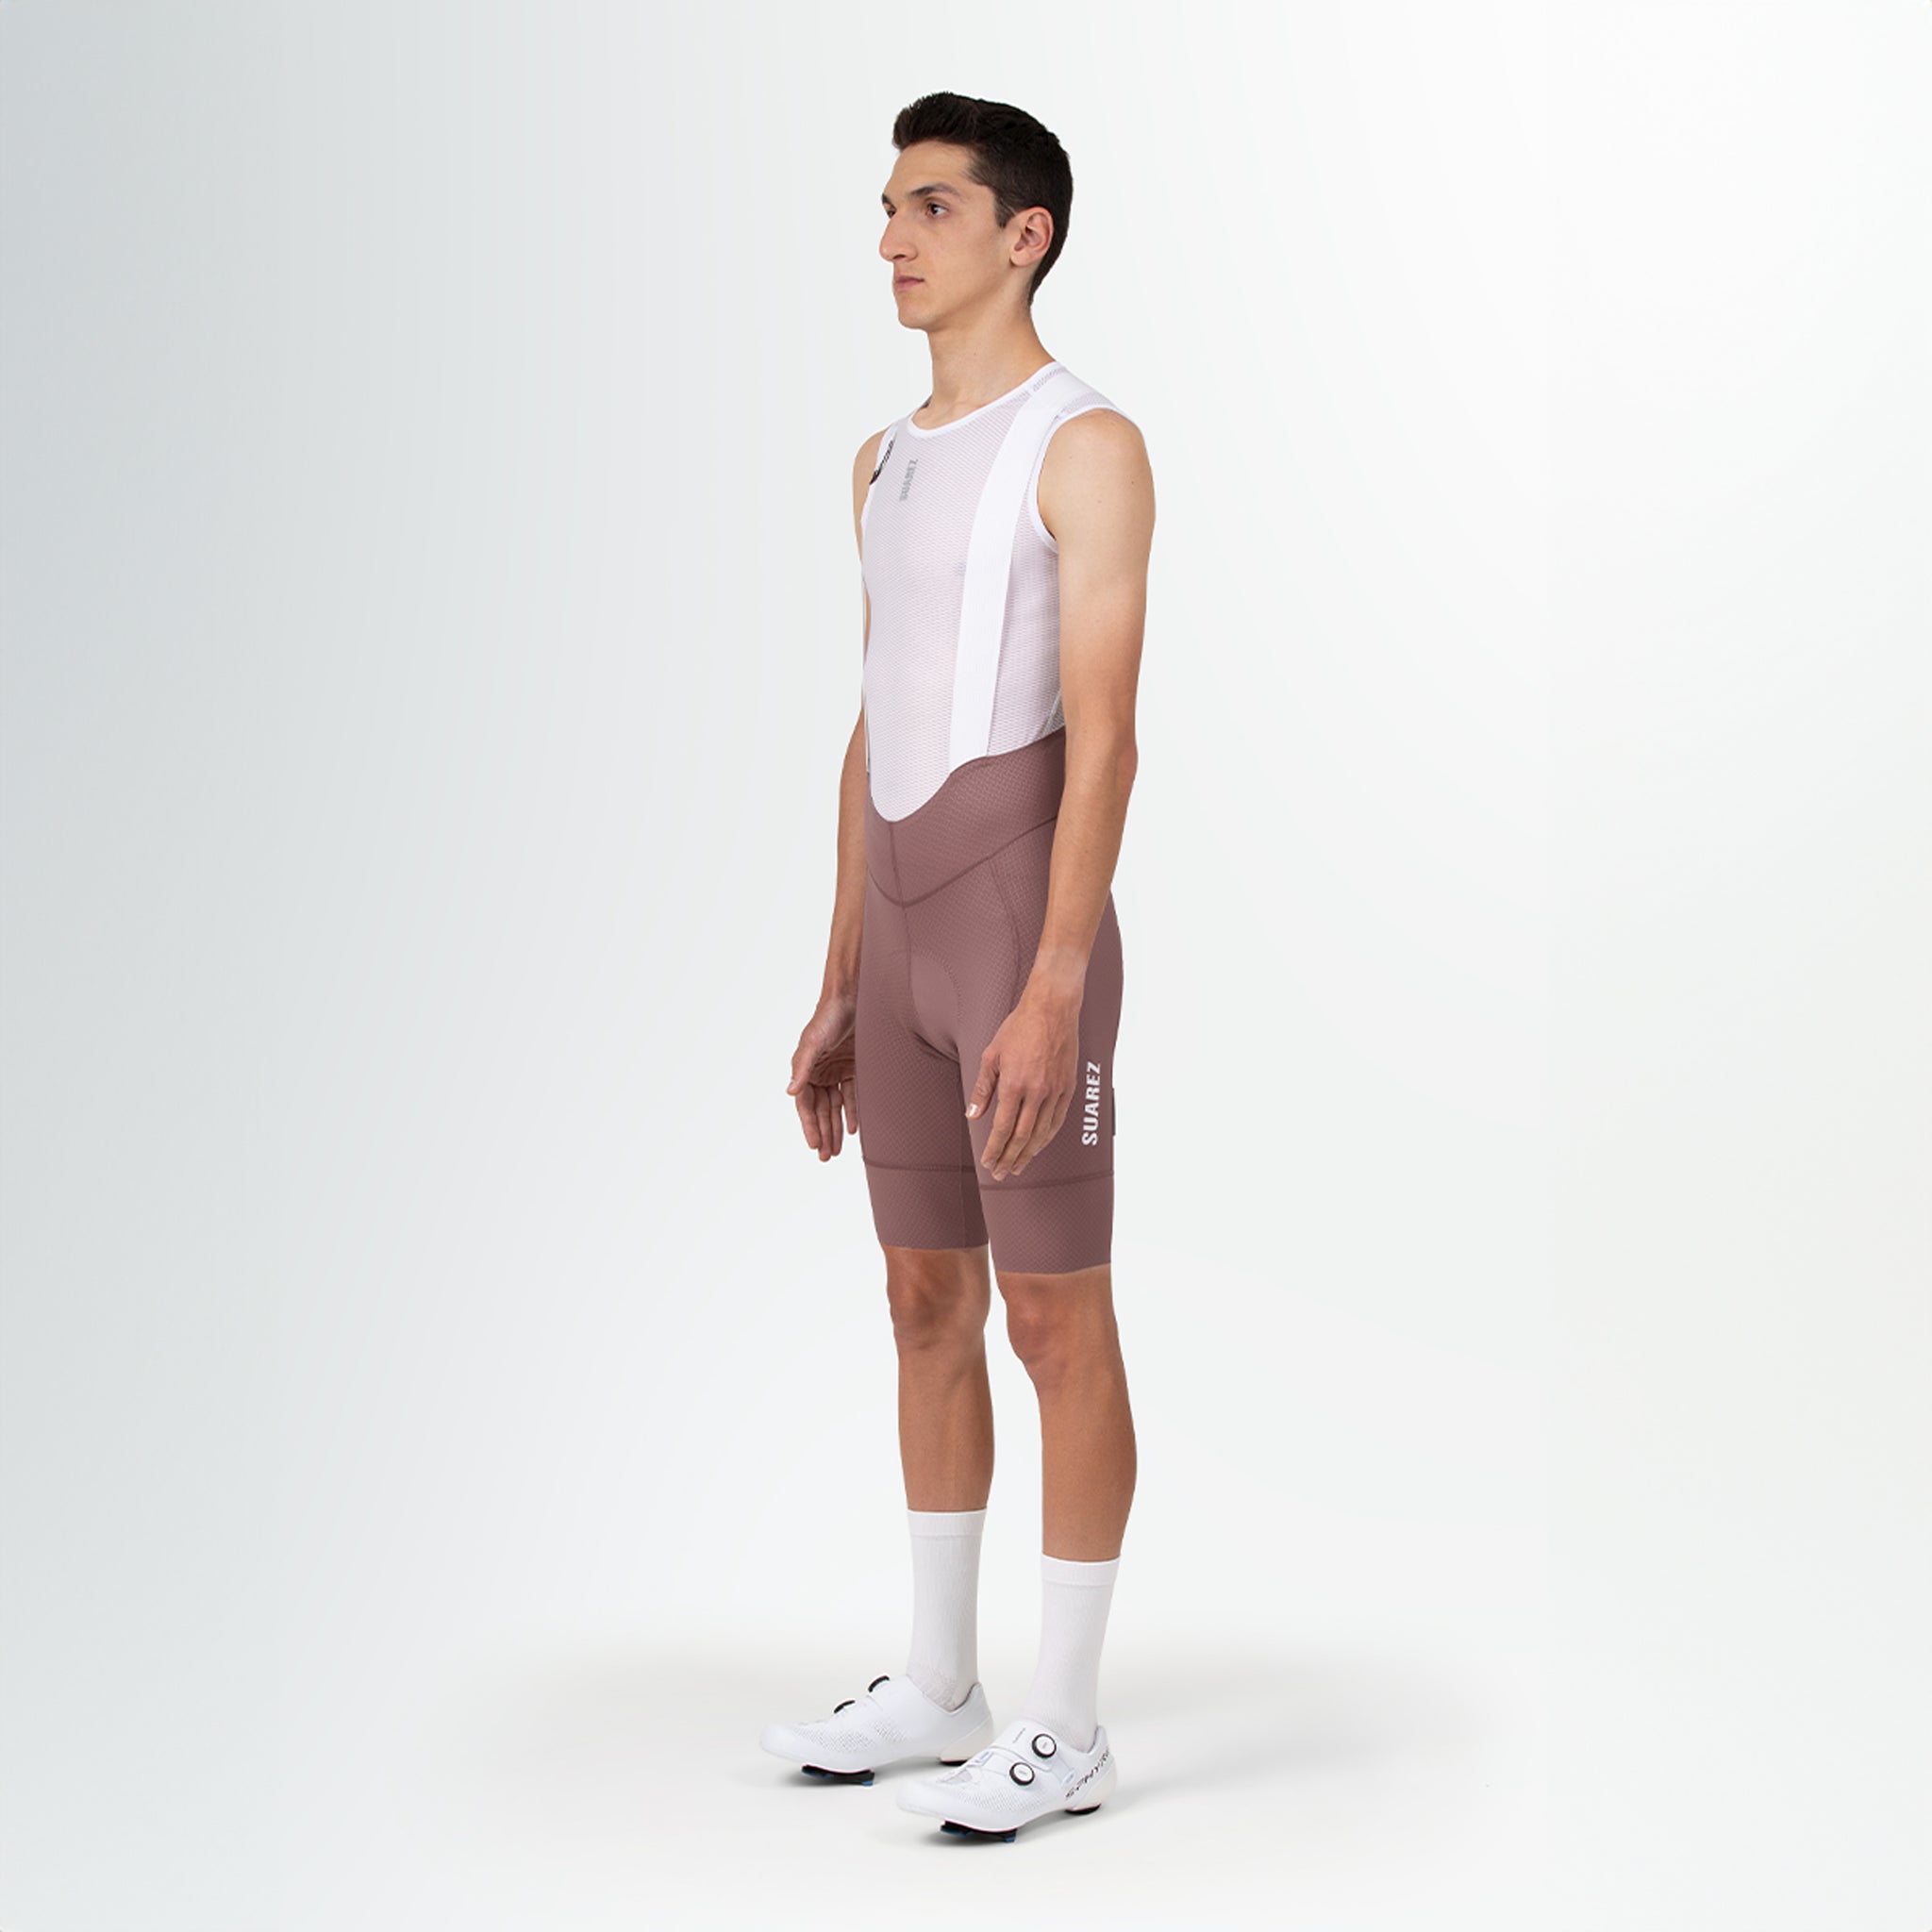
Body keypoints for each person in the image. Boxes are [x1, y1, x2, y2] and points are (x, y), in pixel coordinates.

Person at [762, 90, 1156, 1843]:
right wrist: (844, 978)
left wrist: (1056, 984)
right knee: (923, 1303)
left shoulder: (1087, 443)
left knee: (1056, 1317)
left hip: (1016, 934)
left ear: (1024, 234)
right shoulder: (883, 460)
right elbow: (875, 727)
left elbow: (1111, 739)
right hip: (908, 932)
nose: (891, 239)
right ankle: (942, 1682)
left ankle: (1067, 1724)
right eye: (888, 206)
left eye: (930, 206)